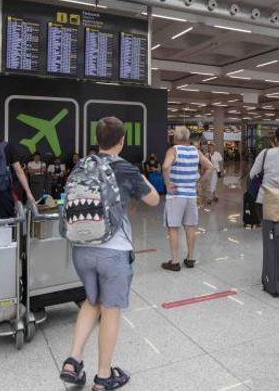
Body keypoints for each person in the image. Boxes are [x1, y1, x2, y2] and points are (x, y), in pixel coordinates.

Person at [59, 117, 159, 391]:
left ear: (98, 139)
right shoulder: (123, 167)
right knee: (110, 310)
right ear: (122, 140)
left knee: (92, 301)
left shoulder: (82, 164)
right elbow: (153, 198)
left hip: (81, 247)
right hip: (112, 252)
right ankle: (104, 376)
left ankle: (73, 361)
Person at [161, 126, 212, 271]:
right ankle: (190, 258)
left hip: (176, 195)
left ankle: (175, 261)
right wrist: (199, 181)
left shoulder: (173, 150)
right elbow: (209, 166)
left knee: (173, 228)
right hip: (190, 195)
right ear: (188, 138)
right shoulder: (195, 151)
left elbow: (165, 167)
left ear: (174, 138)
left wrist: (167, 183)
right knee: (190, 227)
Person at [249, 126, 279, 223]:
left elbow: (252, 174)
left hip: (265, 200)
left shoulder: (265, 153)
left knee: (268, 231)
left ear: (276, 139)